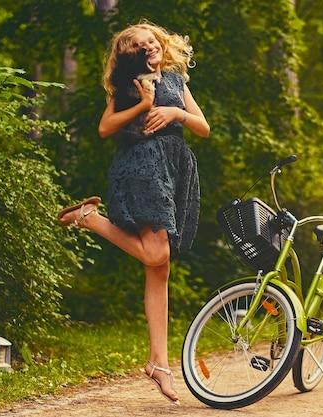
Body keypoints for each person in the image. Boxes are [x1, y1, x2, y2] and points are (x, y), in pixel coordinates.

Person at [57, 20, 210, 405]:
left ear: (161, 44)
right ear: (130, 54)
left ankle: (159, 363)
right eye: (139, 45)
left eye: (152, 41)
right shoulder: (129, 84)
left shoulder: (176, 82)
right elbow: (105, 128)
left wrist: (175, 115)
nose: (149, 47)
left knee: (159, 269)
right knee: (158, 254)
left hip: (173, 169)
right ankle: (89, 218)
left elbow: (204, 127)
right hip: (141, 166)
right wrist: (143, 105)